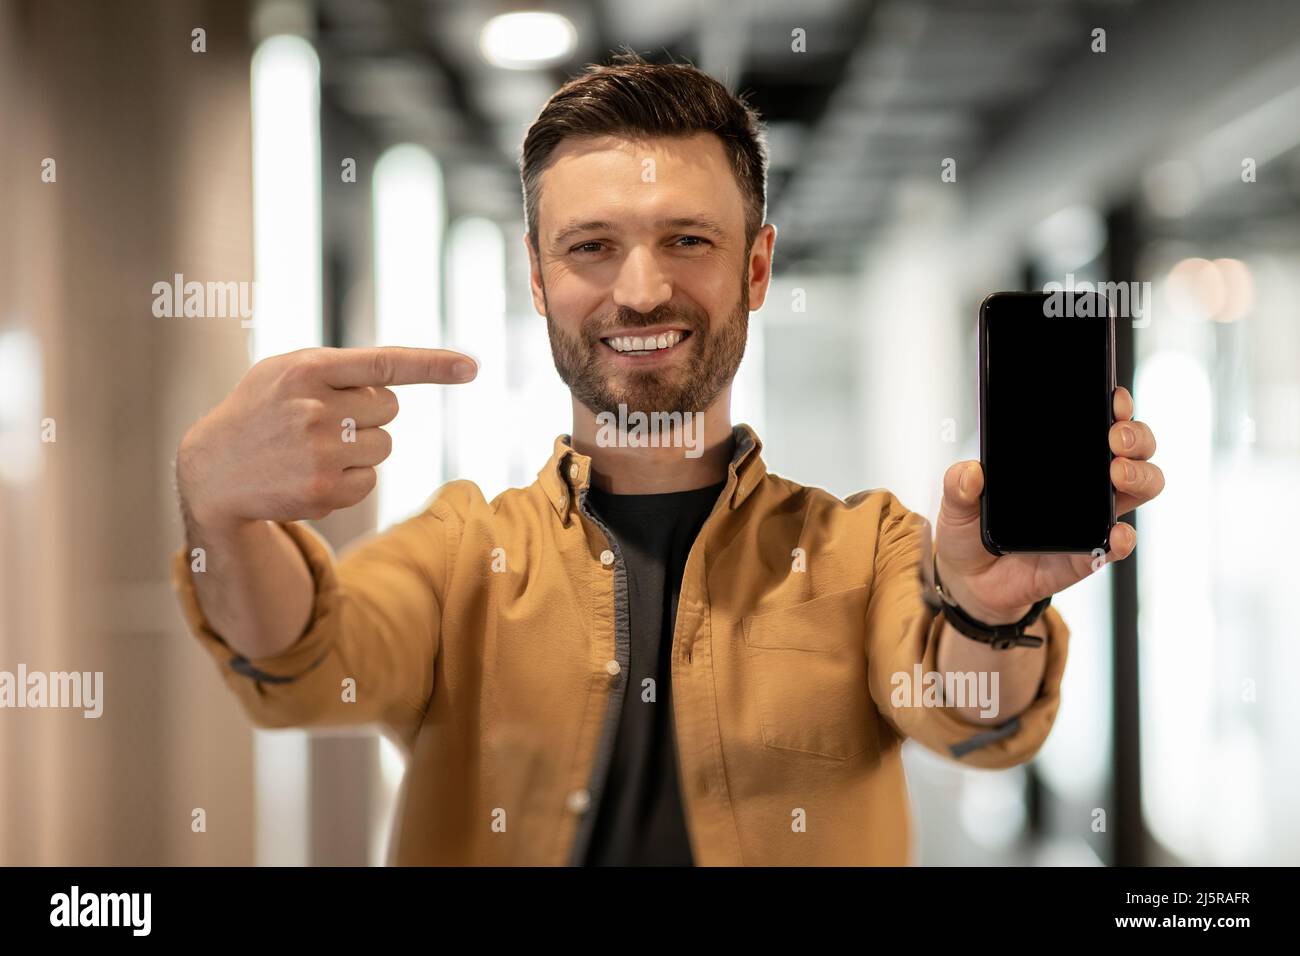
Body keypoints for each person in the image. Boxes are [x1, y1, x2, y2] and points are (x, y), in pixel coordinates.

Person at [170, 53, 1164, 865]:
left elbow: (970, 719)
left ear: (756, 266)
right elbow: (298, 661)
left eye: (686, 238)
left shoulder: (864, 549)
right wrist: (220, 517)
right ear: (536, 274)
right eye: (591, 246)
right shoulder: (458, 552)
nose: (640, 291)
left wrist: (989, 611)